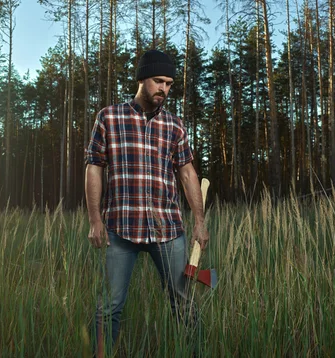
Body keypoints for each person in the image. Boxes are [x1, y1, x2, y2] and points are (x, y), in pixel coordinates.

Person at [84, 49, 210, 356]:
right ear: (142, 79)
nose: (164, 89)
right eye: (158, 81)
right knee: (109, 305)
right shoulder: (109, 117)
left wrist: (199, 221)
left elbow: (188, 173)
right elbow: (94, 167)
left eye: (169, 84)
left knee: (183, 301)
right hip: (119, 228)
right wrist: (95, 219)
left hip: (167, 231)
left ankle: (191, 353)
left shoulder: (175, 126)